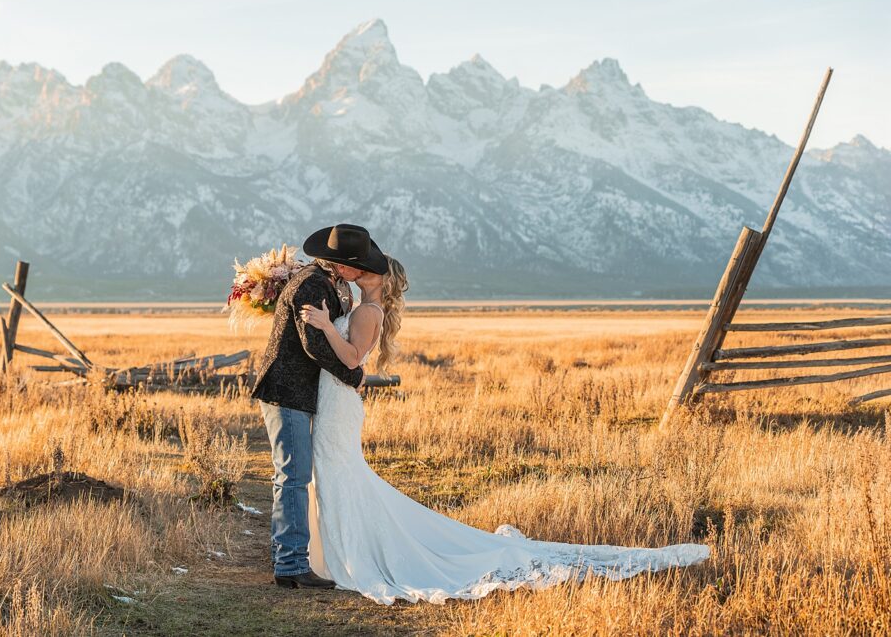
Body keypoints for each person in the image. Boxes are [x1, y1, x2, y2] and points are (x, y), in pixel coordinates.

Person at [300, 254, 711, 605]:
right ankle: (336, 553)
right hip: (337, 402)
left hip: (340, 405)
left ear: (382, 278)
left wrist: (323, 326)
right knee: (339, 475)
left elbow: (353, 359)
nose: (359, 268)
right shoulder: (360, 302)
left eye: (368, 267)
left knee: (340, 473)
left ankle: (352, 556)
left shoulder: (370, 311)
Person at [251, 223, 389, 589]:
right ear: (343, 265)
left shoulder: (333, 284)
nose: (366, 268)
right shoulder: (311, 284)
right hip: (287, 391)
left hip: (303, 392)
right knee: (293, 475)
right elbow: (313, 344)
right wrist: (353, 376)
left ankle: (293, 559)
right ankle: (291, 567)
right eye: (361, 262)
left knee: (296, 474)